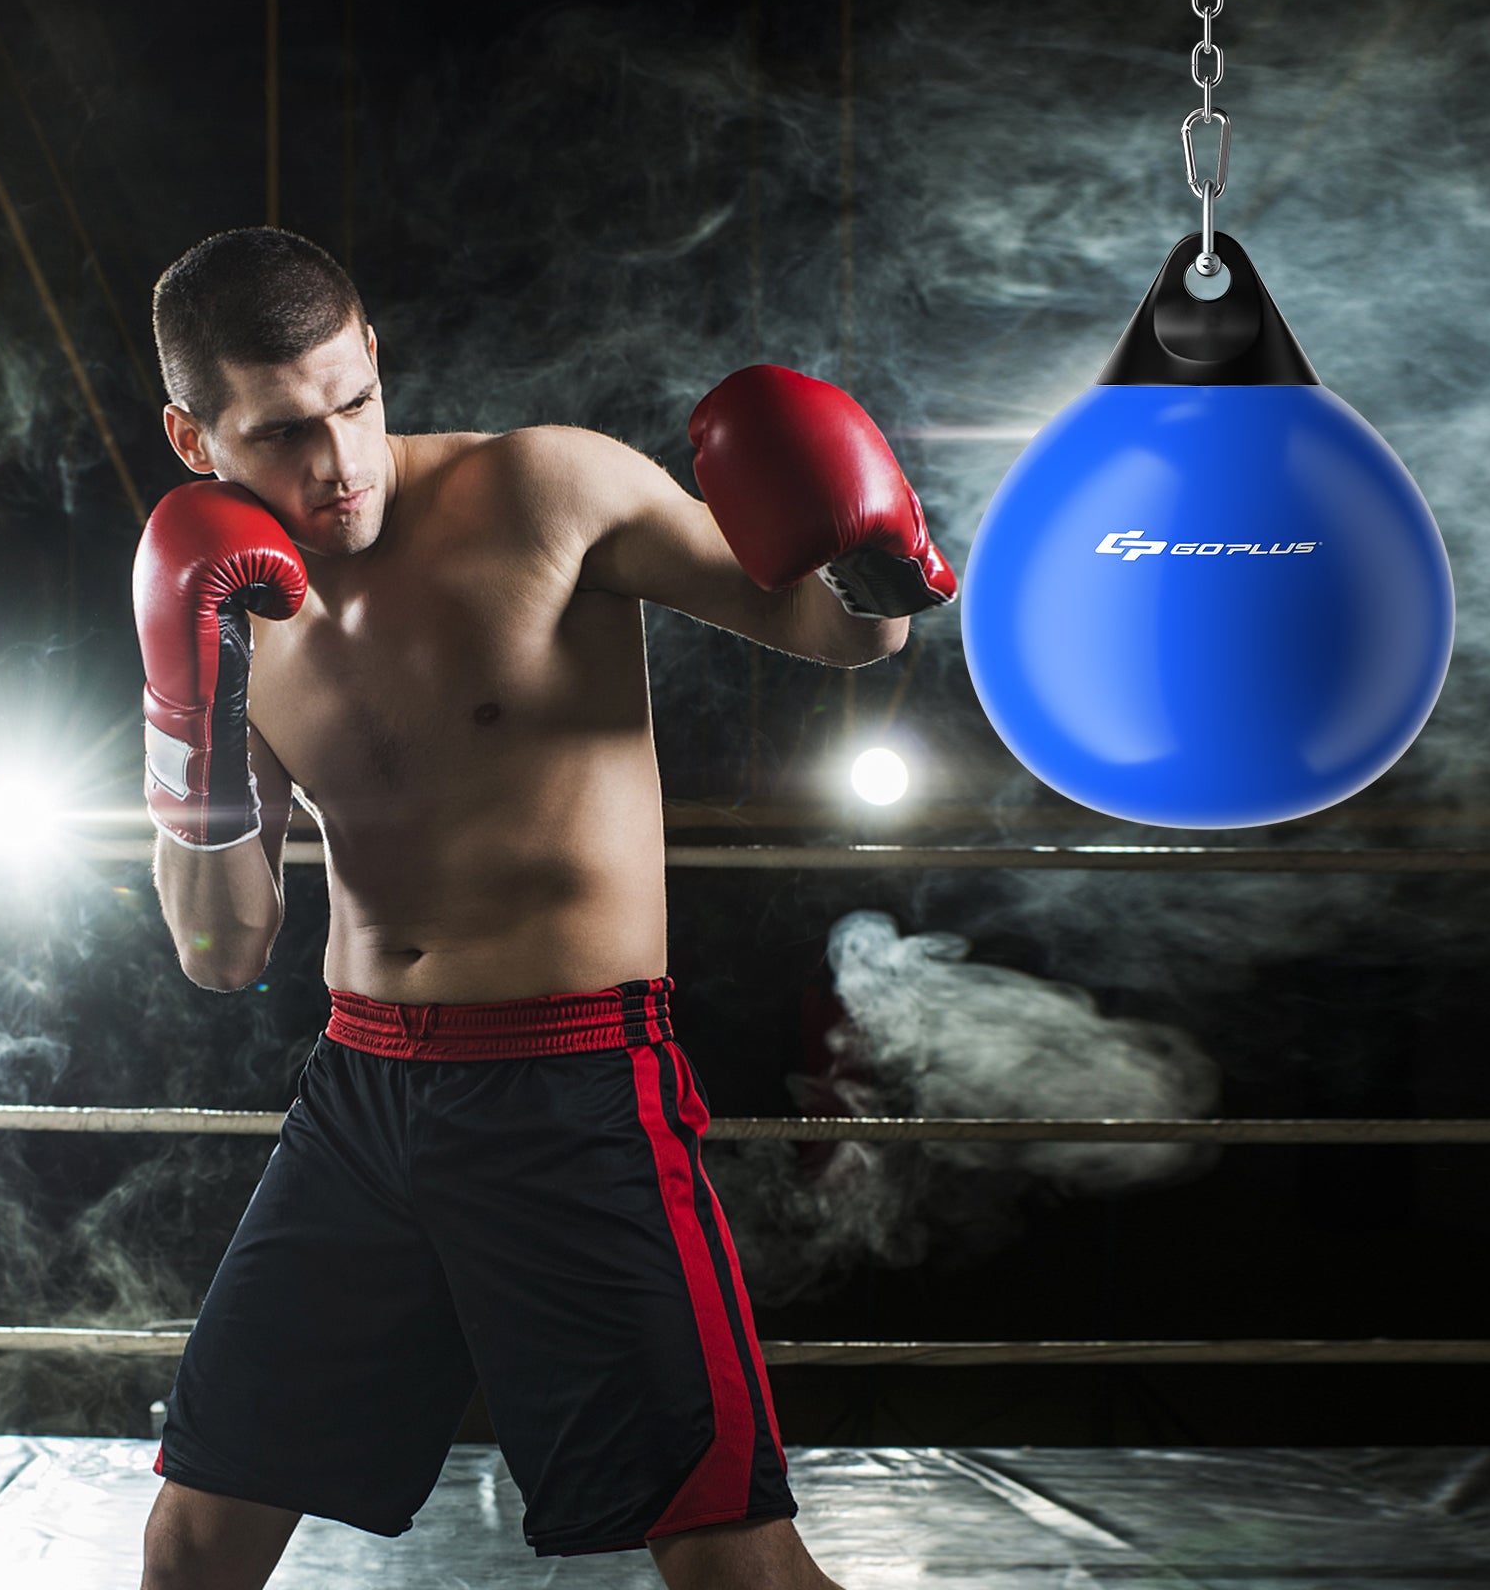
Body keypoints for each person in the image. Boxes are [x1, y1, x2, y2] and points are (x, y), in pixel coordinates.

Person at [133, 226, 955, 1590]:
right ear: (191, 434)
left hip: (572, 1089)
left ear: (377, 361)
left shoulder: (542, 487)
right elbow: (221, 953)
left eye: (352, 402)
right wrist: (195, 722)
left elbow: (840, 635)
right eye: (281, 433)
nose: (336, 464)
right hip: (362, 1098)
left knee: (726, 1559)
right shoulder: (218, 611)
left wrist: (874, 547)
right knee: (195, 1540)